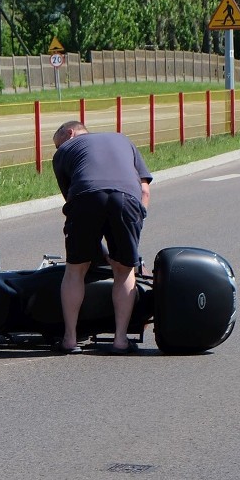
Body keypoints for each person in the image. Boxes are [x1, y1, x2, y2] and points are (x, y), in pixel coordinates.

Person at [51, 121, 152, 355]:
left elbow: (76, 200)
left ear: (70, 133)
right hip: (127, 198)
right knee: (125, 270)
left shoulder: (64, 152)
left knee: (76, 270)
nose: (58, 150)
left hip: (86, 196)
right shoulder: (122, 140)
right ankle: (120, 340)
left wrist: (96, 252)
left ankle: (70, 339)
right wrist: (135, 223)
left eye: (57, 145)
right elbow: (144, 190)